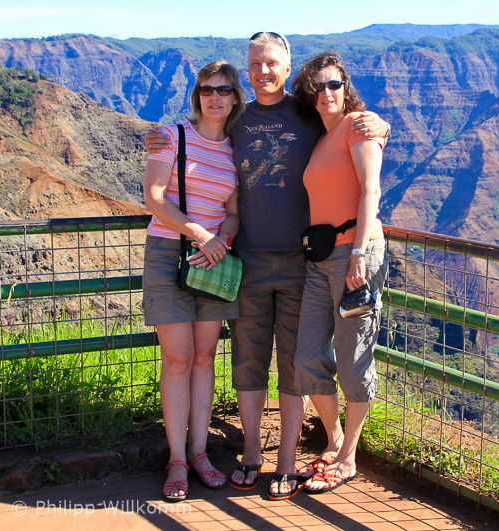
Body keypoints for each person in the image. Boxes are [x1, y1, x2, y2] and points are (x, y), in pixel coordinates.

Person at [145, 31, 389, 500]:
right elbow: (200, 132)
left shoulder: (307, 111)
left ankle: (287, 460)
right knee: (249, 360)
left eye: (272, 62)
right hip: (247, 261)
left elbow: (351, 129)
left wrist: (380, 125)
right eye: (255, 63)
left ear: (286, 65)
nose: (263, 71)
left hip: (305, 261)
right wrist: (157, 136)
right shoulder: (237, 116)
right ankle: (254, 453)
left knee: (297, 364)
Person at [142, 60, 246, 502]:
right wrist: (201, 235)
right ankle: (177, 458)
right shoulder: (171, 136)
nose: (215, 97)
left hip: (215, 259)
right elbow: (153, 198)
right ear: (197, 95)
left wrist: (220, 239)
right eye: (207, 90)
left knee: (205, 357)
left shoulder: (235, 149)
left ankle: (201, 454)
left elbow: (236, 213)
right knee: (179, 359)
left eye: (223, 90)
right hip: (170, 255)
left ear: (235, 97)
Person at [290, 50, 388, 494]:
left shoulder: (359, 125)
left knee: (352, 359)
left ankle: (348, 456)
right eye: (317, 86)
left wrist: (359, 255)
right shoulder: (322, 135)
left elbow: (371, 189)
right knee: (307, 358)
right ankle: (332, 440)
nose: (326, 92)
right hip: (319, 260)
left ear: (346, 87)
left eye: (334, 84)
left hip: (355, 255)